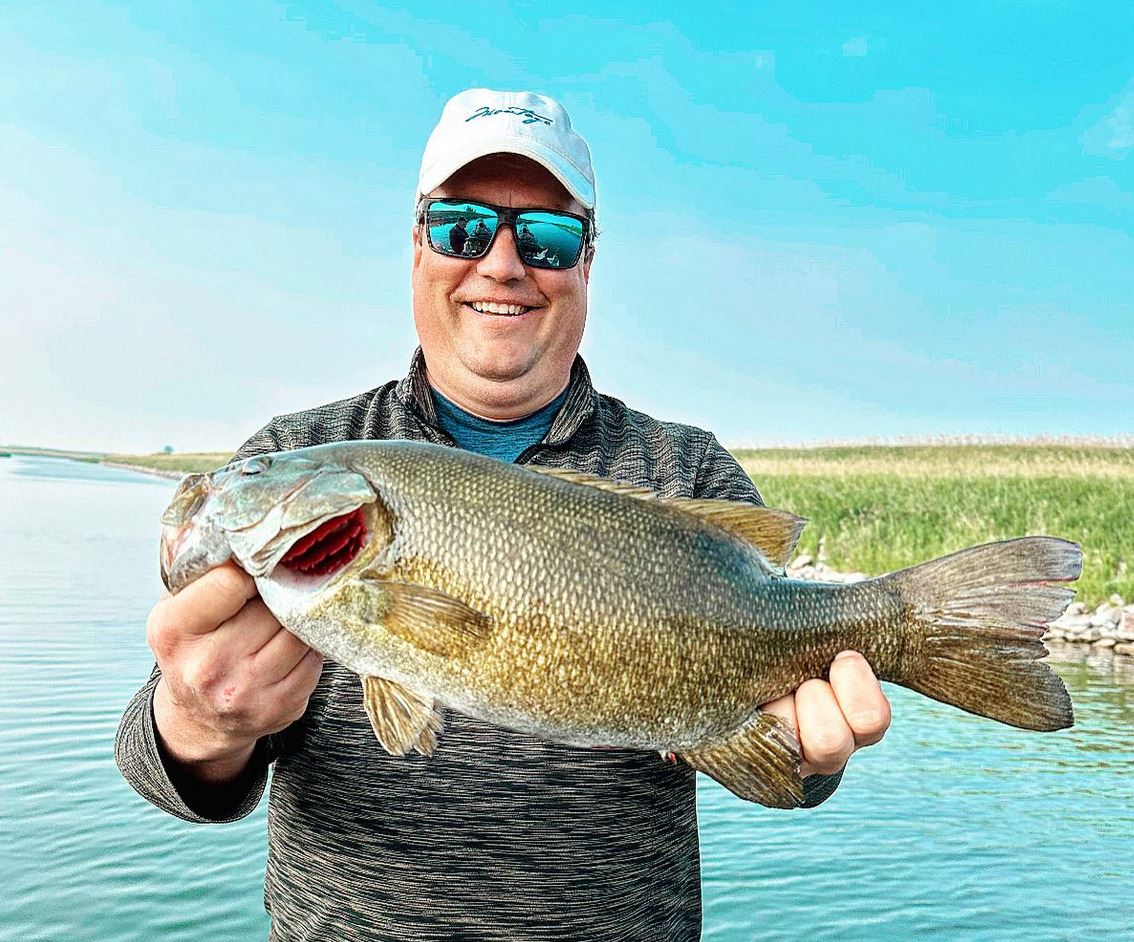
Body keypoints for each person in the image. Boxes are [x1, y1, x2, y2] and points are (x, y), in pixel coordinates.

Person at [117, 89, 891, 941]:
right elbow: (158, 769)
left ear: (586, 263)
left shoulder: (685, 470)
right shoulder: (304, 448)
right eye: (463, 229)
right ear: (418, 247)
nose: (502, 264)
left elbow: (786, 761)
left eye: (547, 238)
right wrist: (198, 721)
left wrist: (809, 758)